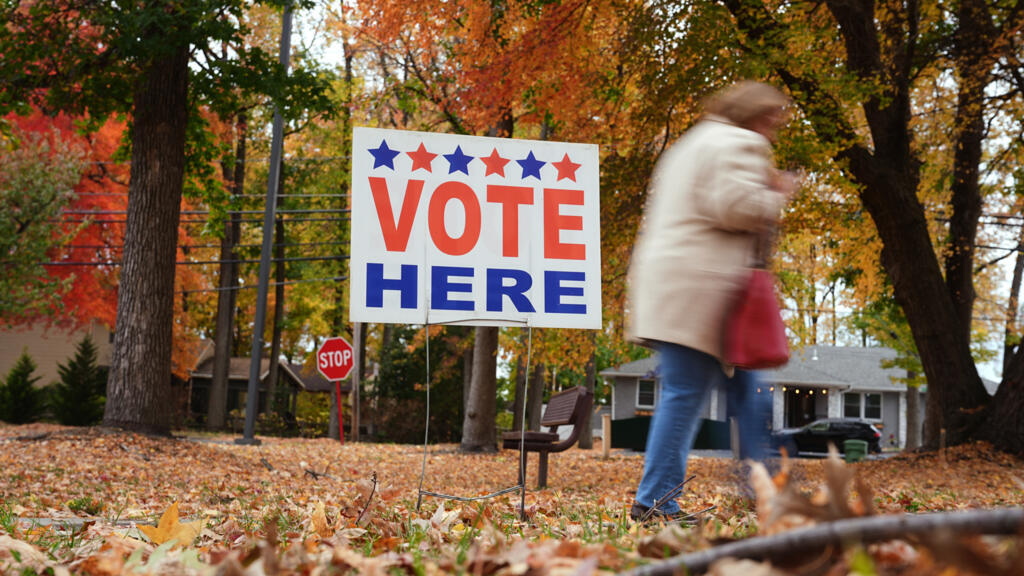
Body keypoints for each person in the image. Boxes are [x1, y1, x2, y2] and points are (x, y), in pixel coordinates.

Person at [625, 81, 796, 522]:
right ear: (755, 116)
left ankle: (766, 491)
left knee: (740, 394)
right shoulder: (739, 142)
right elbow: (733, 206)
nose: (774, 129)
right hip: (707, 292)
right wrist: (777, 194)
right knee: (698, 394)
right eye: (772, 119)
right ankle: (660, 500)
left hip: (675, 286)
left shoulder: (691, 143)